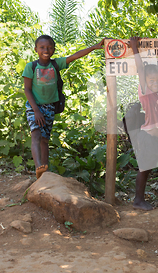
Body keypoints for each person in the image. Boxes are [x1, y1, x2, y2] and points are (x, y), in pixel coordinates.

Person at [23, 35, 104, 179]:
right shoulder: (31, 67)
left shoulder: (55, 64)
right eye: (42, 47)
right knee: (35, 134)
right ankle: (38, 166)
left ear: (53, 49)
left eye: (49, 47)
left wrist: (93, 47)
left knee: (45, 139)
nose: (45, 50)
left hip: (49, 107)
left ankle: (44, 170)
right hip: (34, 107)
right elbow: (27, 89)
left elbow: (74, 56)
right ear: (36, 49)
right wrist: (36, 110)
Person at [128, 36, 158, 211]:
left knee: (148, 167)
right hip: (147, 137)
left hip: (156, 139)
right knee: (144, 168)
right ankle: (138, 200)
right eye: (151, 80)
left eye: (157, 80)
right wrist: (135, 49)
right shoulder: (146, 92)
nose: (154, 83)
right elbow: (140, 70)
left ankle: (140, 198)